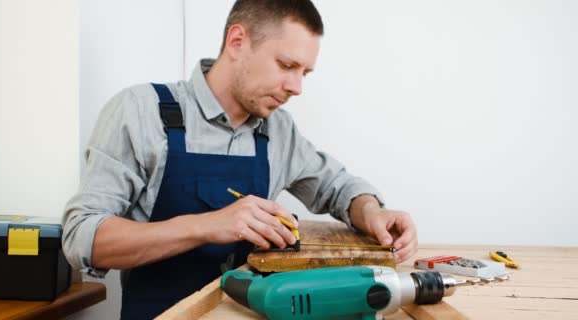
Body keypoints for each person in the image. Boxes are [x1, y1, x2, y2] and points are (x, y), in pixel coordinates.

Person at [62, 0, 417, 318]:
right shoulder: (141, 111)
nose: (297, 87)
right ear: (237, 42)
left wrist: (371, 211)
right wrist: (210, 225)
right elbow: (82, 239)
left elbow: (339, 187)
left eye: (304, 72)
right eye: (286, 65)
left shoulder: (277, 130)